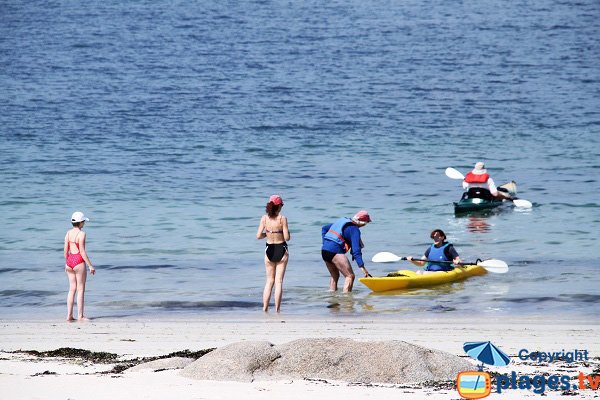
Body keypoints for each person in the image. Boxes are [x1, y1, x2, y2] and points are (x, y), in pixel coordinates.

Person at [321, 210, 372, 292]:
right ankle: (347, 301)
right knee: (350, 276)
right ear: (362, 222)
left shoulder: (343, 222)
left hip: (324, 251)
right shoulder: (355, 230)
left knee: (335, 275)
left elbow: (324, 228)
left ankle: (332, 299)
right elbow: (356, 250)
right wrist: (361, 266)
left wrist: (325, 243)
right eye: (366, 223)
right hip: (334, 251)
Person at [256, 195, 290, 312]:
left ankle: (265, 308)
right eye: (281, 205)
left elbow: (258, 235)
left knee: (269, 281)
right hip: (281, 248)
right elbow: (287, 237)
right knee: (279, 281)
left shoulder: (264, 218)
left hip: (269, 249)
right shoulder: (282, 219)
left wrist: (268, 233)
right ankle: (277, 309)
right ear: (278, 206)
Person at [64, 211, 95, 321]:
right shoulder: (82, 234)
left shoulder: (68, 233)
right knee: (80, 289)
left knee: (71, 289)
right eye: (83, 222)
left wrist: (66, 263)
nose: (84, 224)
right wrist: (90, 265)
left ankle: (69, 315)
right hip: (78, 261)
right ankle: (80, 316)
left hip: (69, 261)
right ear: (81, 222)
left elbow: (65, 251)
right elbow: (82, 251)